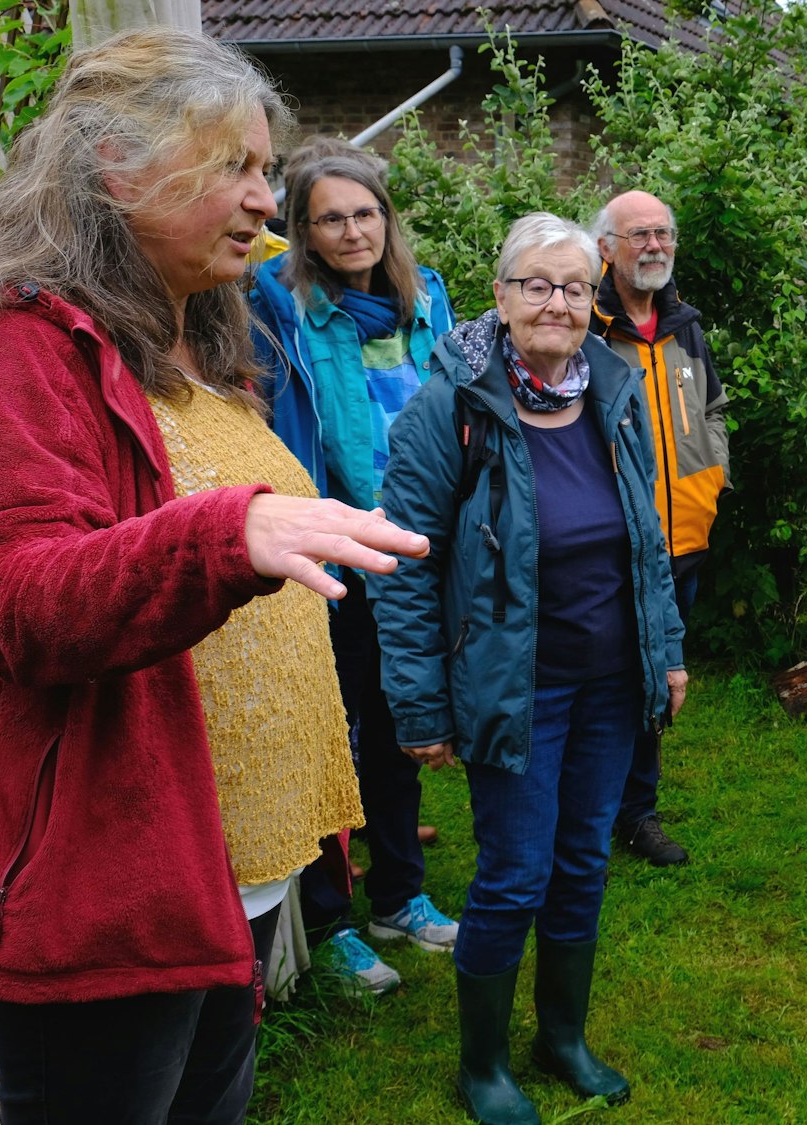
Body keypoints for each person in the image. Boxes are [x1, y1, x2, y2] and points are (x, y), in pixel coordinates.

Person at [0, 29, 426, 1122]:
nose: (269, 199)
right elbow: (14, 602)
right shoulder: (5, 355)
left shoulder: (191, 346)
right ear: (116, 167)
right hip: (107, 878)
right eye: (238, 167)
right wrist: (222, 537)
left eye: (269, 170)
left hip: (225, 873)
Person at [372, 213, 685, 1125]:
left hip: (610, 682)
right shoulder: (454, 407)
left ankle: (562, 1037)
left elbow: (646, 538)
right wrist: (421, 704)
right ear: (501, 296)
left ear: (597, 300)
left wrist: (661, 648)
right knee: (514, 871)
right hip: (515, 686)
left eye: (577, 287)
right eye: (538, 284)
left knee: (584, 861)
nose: (559, 302)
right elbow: (406, 559)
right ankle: (483, 1065)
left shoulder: (616, 391)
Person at [250, 136, 461, 993]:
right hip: (331, 555)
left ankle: (399, 894)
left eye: (365, 213)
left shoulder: (426, 298)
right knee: (325, 741)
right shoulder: (280, 306)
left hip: (412, 551)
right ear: (300, 230)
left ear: (387, 217)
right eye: (329, 219)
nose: (352, 232)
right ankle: (330, 919)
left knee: (401, 724)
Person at [591, 189, 728, 868]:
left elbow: (714, 410)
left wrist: (711, 483)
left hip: (685, 541)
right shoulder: (586, 328)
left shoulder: (685, 326)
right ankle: (592, 806)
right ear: (605, 249)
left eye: (663, 234)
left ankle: (636, 811)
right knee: (607, 677)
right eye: (638, 234)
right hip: (614, 541)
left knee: (657, 681)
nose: (654, 246)